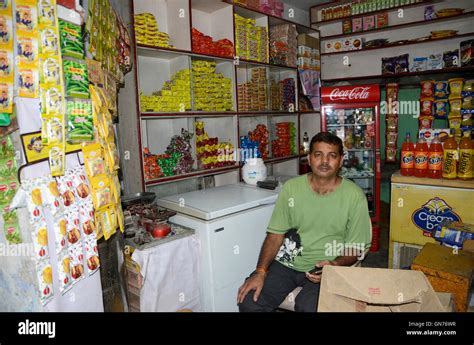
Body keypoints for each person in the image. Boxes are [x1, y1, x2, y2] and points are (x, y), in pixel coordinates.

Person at [237, 131, 372, 312]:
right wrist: (260, 272)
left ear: (341, 161)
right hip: (288, 262)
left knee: (308, 306)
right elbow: (276, 234)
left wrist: (334, 266)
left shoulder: (354, 196)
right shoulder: (292, 188)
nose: (324, 161)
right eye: (318, 155)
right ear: (309, 159)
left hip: (327, 265)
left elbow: (356, 247)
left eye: (331, 156)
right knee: (249, 301)